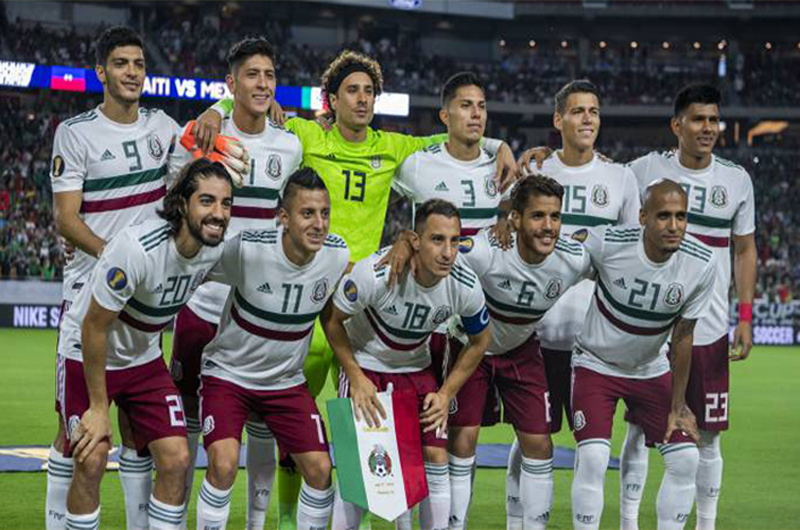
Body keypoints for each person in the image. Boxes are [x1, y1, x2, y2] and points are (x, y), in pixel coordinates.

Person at [197, 49, 517, 529]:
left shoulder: (393, 146)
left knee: (361, 434)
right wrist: (214, 109)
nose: (363, 99)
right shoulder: (307, 134)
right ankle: (279, 521)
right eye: (353, 90)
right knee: (285, 431)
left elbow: (458, 137)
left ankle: (359, 521)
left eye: (369, 91)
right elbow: (252, 113)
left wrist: (502, 147)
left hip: (360, 310)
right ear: (332, 99)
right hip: (305, 303)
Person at [48, 26, 182, 530]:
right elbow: (66, 218)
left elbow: (203, 155)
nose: (132, 73)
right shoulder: (76, 132)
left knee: (157, 448)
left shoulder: (163, 127)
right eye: (121, 64)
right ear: (101, 72)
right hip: (89, 304)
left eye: (139, 64)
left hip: (144, 321)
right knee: (87, 449)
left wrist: (216, 112)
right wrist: (118, 262)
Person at [168, 36, 302, 530]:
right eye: (252, 75)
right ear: (231, 84)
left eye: (269, 75)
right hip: (201, 304)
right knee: (180, 431)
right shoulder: (204, 136)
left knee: (261, 431)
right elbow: (170, 200)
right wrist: (213, 111)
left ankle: (256, 523)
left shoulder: (290, 145)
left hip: (257, 314)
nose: (262, 83)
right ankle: (173, 519)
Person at [58, 158, 233, 530]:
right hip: (86, 353)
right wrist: (100, 407)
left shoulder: (214, 249)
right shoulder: (137, 249)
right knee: (91, 458)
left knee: (176, 459)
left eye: (226, 203)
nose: (218, 213)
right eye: (207, 201)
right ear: (183, 204)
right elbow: (93, 328)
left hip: (144, 360)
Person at [619, 83, 757, 530]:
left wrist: (746, 317)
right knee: (639, 432)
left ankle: (706, 524)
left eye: (714, 120)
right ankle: (627, 522)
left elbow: (745, 251)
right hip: (653, 331)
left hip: (710, 331)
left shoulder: (736, 180)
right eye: (698, 119)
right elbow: (600, 176)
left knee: (709, 438)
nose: (708, 128)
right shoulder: (644, 170)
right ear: (677, 125)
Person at [506, 79, 640, 529]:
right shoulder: (536, 174)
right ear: (557, 119)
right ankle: (516, 520)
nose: (588, 119)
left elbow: (630, 255)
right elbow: (505, 237)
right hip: (537, 334)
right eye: (578, 111)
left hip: (594, 343)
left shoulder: (621, 179)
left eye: (595, 111)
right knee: (530, 439)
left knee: (591, 446)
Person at [322, 199, 491, 530]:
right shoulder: (376, 273)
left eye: (454, 241)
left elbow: (481, 341)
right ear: (415, 239)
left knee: (436, 458)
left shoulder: (464, 285)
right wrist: (355, 376)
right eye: (437, 239)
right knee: (358, 467)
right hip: (367, 366)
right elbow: (331, 318)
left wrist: (445, 394)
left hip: (418, 370)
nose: (447, 252)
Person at [195, 168, 348, 530]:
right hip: (228, 376)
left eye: (324, 213)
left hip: (285, 382)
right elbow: (192, 264)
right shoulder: (247, 249)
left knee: (320, 469)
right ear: (283, 218)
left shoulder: (336, 256)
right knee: (224, 463)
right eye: (307, 213)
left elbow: (364, 279)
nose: (319, 223)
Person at [446, 175, 592, 530]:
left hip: (521, 348)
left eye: (555, 217)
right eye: (538, 216)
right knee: (462, 441)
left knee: (540, 444)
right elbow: (440, 255)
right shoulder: (485, 251)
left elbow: (609, 251)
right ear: (515, 219)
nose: (549, 227)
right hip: (470, 348)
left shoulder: (572, 260)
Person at [570, 180, 715, 530]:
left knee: (685, 459)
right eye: (664, 216)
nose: (674, 225)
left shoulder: (701, 263)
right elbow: (563, 248)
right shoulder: (608, 242)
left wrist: (678, 406)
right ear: (642, 217)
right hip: (595, 364)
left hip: (650, 369)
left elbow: (683, 336)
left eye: (681, 216)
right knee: (593, 456)